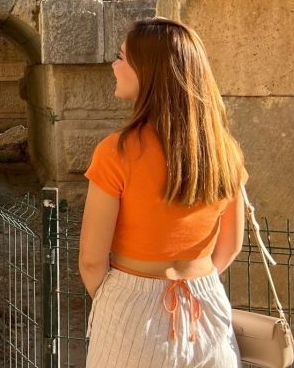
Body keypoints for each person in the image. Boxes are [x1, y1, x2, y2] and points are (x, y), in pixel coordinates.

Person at [79, 18, 247, 367]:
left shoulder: (116, 152)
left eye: (122, 57)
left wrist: (119, 301)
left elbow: (91, 261)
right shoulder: (225, 151)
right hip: (208, 306)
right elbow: (230, 246)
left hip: (133, 308)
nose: (114, 64)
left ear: (148, 71)